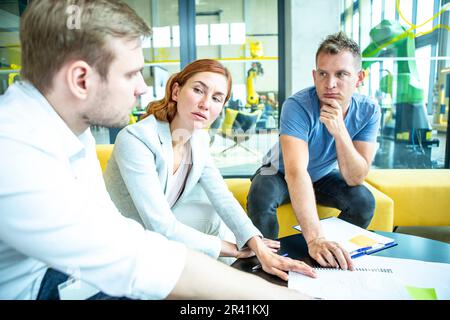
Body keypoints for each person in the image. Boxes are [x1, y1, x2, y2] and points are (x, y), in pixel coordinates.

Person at [0, 0, 314, 300]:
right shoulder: (14, 153)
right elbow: (136, 258)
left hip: (64, 268)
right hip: (40, 284)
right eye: (130, 74)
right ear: (81, 79)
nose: (142, 88)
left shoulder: (72, 133)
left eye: (218, 97)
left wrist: (254, 244)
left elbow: (114, 227)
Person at [103, 58, 316, 281]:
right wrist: (234, 249)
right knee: (224, 245)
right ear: (176, 91)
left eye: (216, 98)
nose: (205, 104)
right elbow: (160, 226)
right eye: (198, 90)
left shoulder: (199, 140)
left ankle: (247, 281)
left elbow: (222, 197)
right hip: (126, 237)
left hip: (158, 226)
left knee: (212, 215)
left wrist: (257, 245)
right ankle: (239, 282)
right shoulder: (136, 139)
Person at [247, 32, 381, 271]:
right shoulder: (297, 106)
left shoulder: (369, 111)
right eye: (323, 74)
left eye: (341, 74)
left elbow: (355, 176)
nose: (330, 84)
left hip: (321, 175)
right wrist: (314, 237)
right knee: (260, 195)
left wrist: (340, 132)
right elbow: (296, 172)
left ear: (359, 78)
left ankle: (332, 256)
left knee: (363, 201)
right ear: (314, 75)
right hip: (278, 171)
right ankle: (266, 264)